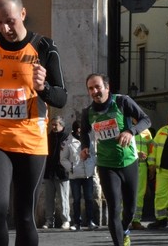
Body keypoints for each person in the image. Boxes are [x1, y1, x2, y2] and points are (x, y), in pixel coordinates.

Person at [0, 0, 67, 246]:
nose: (5, 27)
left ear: (22, 14)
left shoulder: (44, 47)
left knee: (24, 216)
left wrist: (43, 87)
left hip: (31, 140)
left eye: (10, 20)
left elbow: (61, 97)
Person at [80, 73, 151, 246]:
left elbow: (146, 120)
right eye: (91, 88)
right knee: (114, 209)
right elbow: (84, 132)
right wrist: (85, 147)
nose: (94, 91)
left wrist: (130, 131)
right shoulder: (87, 112)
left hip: (128, 162)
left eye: (97, 87)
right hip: (106, 165)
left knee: (130, 209)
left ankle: (125, 229)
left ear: (107, 87)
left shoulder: (122, 102)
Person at [60, 119, 98, 231]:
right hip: (75, 175)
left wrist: (92, 165)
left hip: (88, 174)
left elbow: (94, 154)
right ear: (77, 129)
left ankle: (90, 221)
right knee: (76, 199)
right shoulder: (67, 142)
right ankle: (77, 222)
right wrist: (71, 168)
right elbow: (63, 159)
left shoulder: (89, 139)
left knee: (89, 198)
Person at [42, 116, 71, 230]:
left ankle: (66, 220)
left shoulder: (67, 138)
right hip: (49, 171)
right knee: (48, 198)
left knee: (63, 198)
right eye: (52, 124)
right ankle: (49, 220)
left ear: (62, 126)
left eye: (56, 125)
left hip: (62, 172)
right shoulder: (48, 137)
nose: (53, 127)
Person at [130, 127, 153, 230]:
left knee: (139, 195)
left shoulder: (146, 131)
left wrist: (151, 166)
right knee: (125, 193)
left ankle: (136, 220)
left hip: (142, 166)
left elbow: (152, 149)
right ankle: (123, 220)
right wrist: (136, 153)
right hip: (128, 164)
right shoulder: (124, 128)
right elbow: (121, 145)